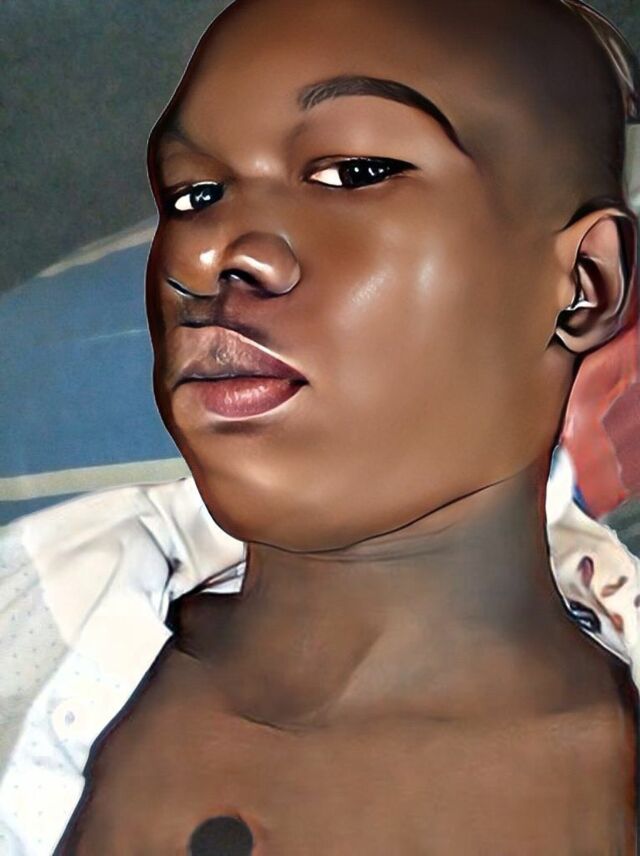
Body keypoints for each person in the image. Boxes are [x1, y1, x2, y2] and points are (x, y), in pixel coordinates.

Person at [1, 0, 639, 852]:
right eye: (194, 193)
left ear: (585, 284)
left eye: (353, 173)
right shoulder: (32, 626)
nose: (203, 255)